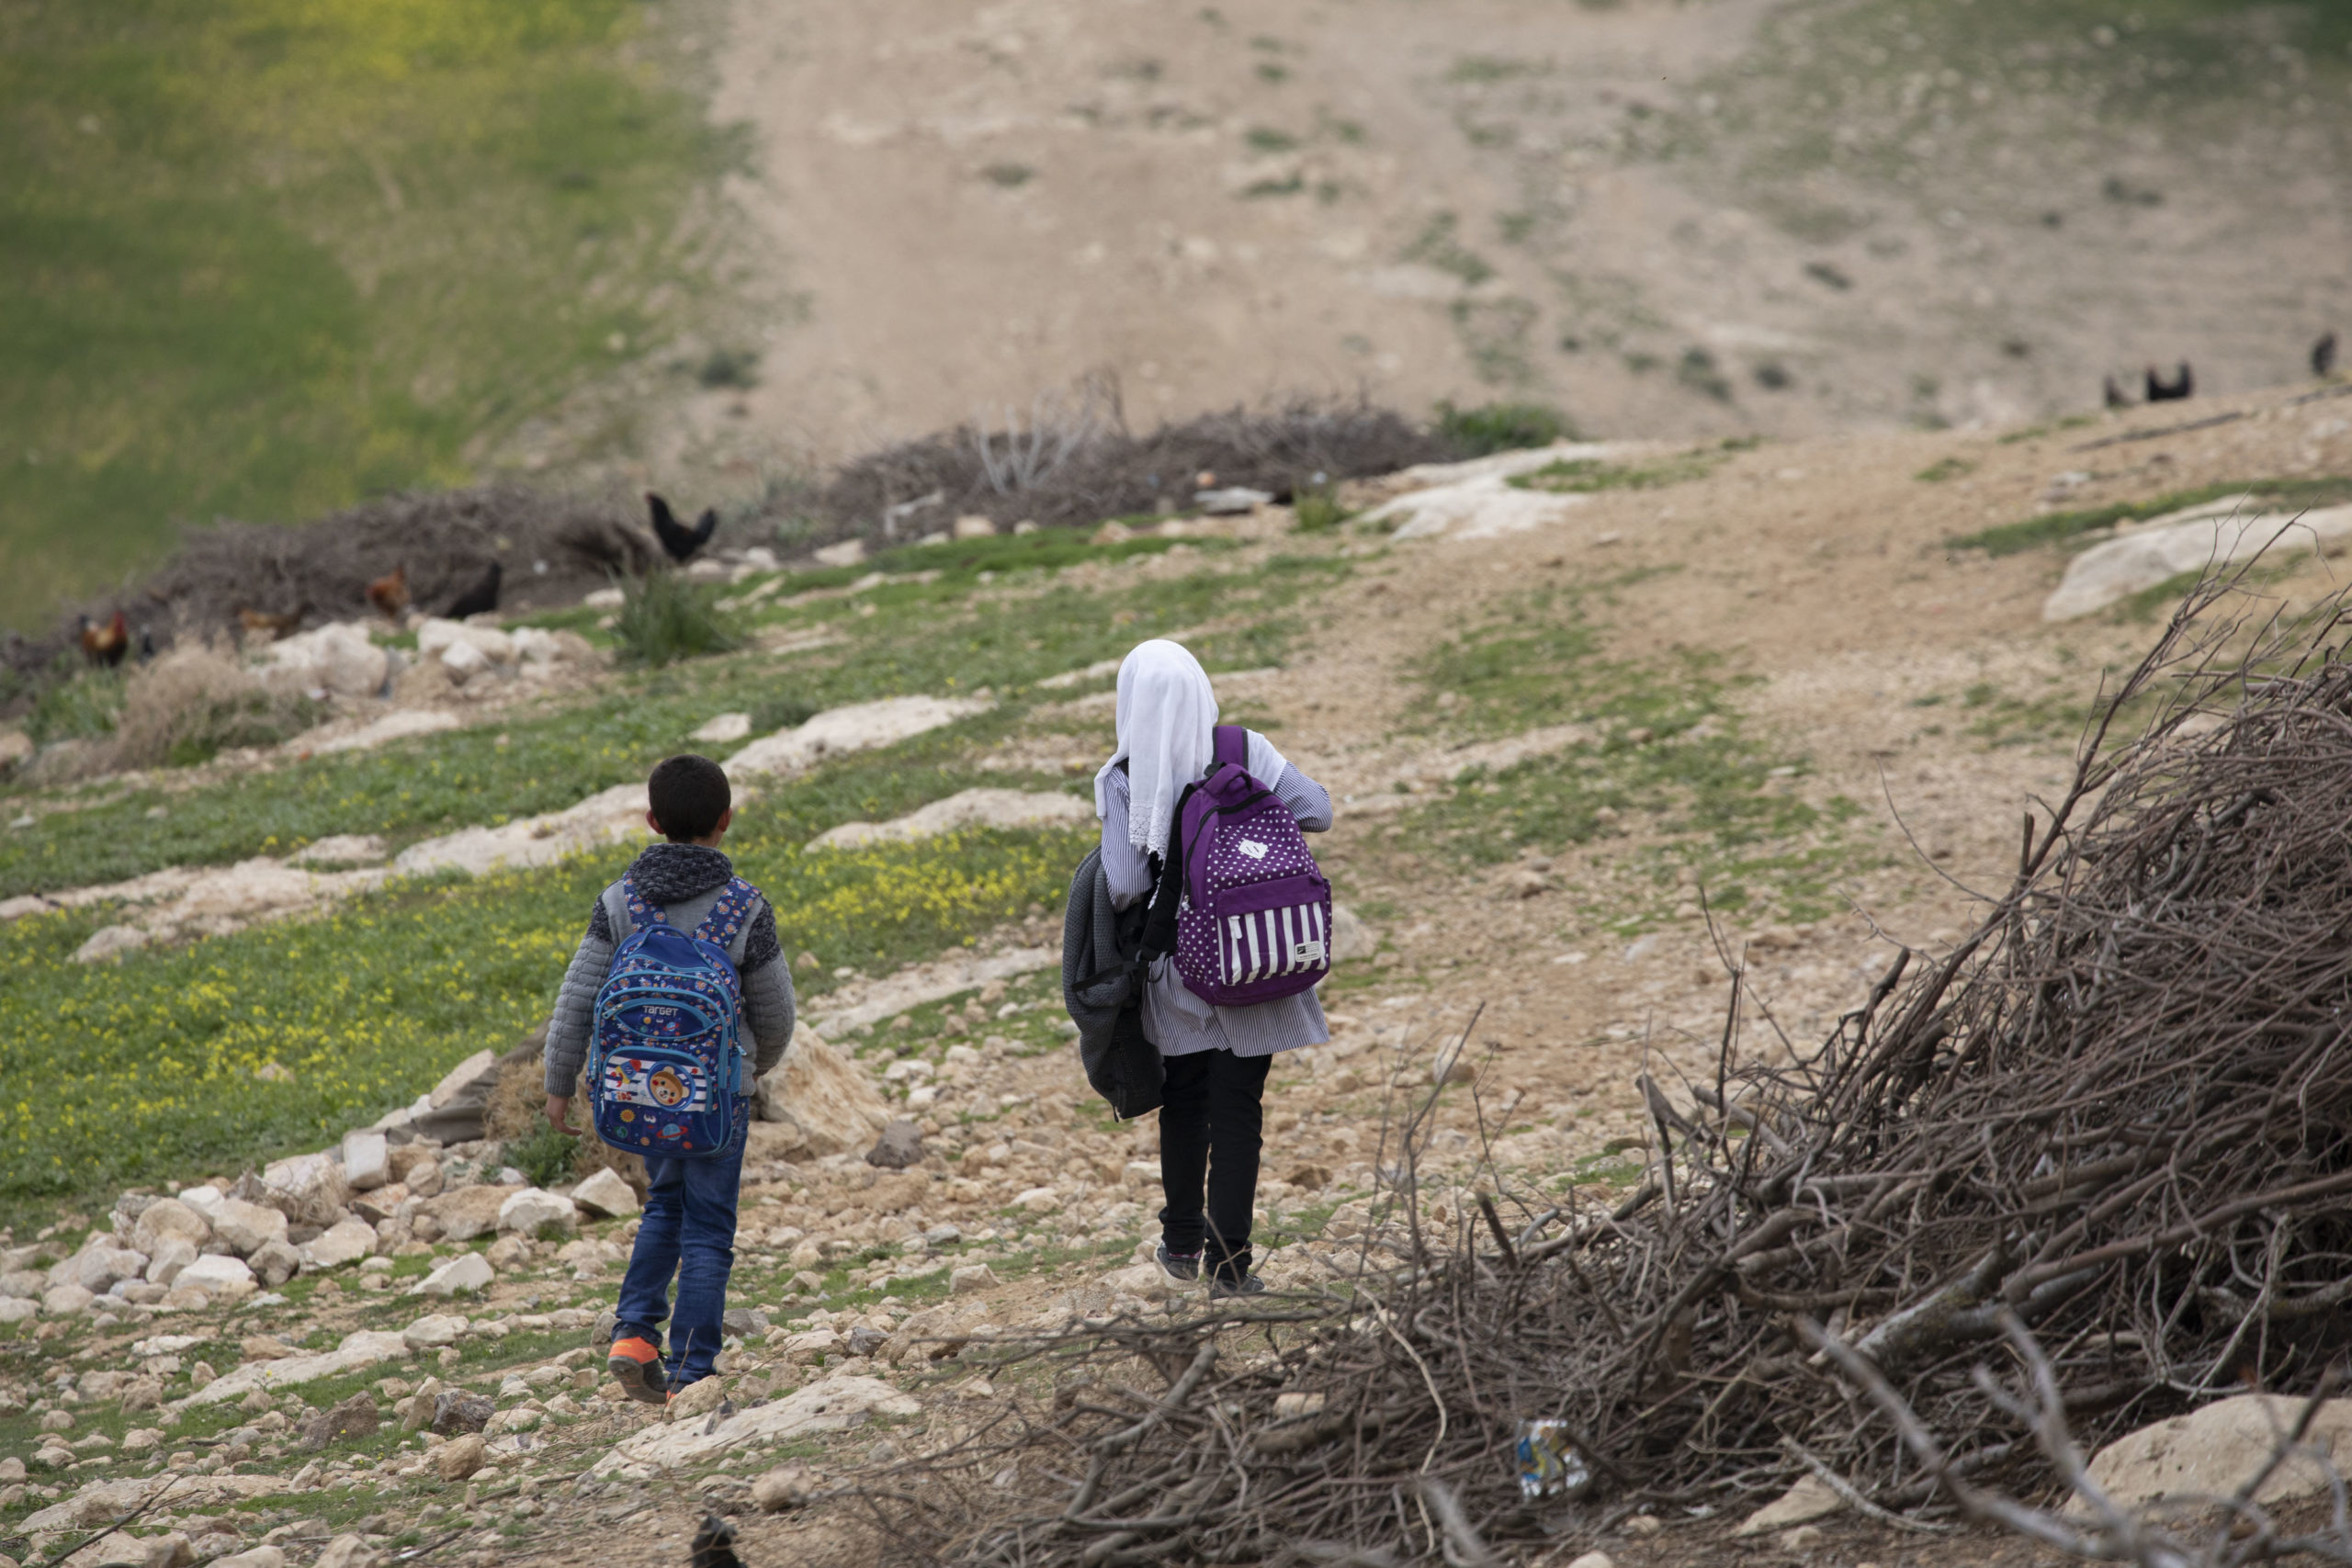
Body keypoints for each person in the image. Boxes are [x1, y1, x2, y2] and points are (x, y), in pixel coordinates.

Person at [542, 754, 796, 1403]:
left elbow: (577, 997)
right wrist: (750, 1069)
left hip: (636, 1092)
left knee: (664, 1203)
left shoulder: (619, 901)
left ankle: (633, 1333)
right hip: (716, 1100)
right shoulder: (744, 907)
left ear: (651, 820)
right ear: (726, 821)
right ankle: (692, 1372)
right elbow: (776, 1013)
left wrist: (559, 1080)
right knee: (709, 1226)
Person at [1094, 639, 1334, 1295]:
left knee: (1186, 1100)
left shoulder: (1121, 778)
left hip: (1179, 969)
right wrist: (1244, 829)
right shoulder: (1244, 747)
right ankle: (1232, 1267)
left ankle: (1179, 1244)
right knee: (1240, 1107)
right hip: (1253, 954)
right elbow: (1320, 810)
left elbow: (1121, 882)